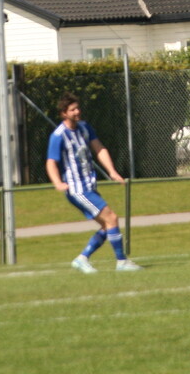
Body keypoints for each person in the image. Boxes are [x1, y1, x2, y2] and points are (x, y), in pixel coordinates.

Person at [45, 92, 141, 273]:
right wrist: (57, 182)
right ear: (64, 113)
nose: (77, 112)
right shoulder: (58, 135)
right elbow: (51, 162)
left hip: (89, 186)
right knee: (112, 218)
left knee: (107, 225)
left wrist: (112, 172)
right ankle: (121, 262)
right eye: (72, 110)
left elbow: (99, 149)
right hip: (77, 189)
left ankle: (82, 259)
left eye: (78, 108)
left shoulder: (84, 127)